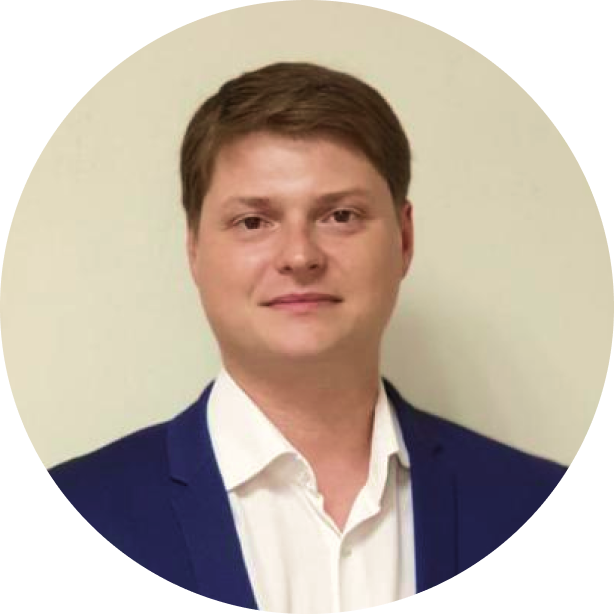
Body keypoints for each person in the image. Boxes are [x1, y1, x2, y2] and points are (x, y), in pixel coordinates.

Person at [49, 62, 567, 609]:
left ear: (404, 239)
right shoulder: (86, 507)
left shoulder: (530, 500)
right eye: (253, 222)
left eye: (340, 215)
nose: (299, 256)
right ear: (194, 248)